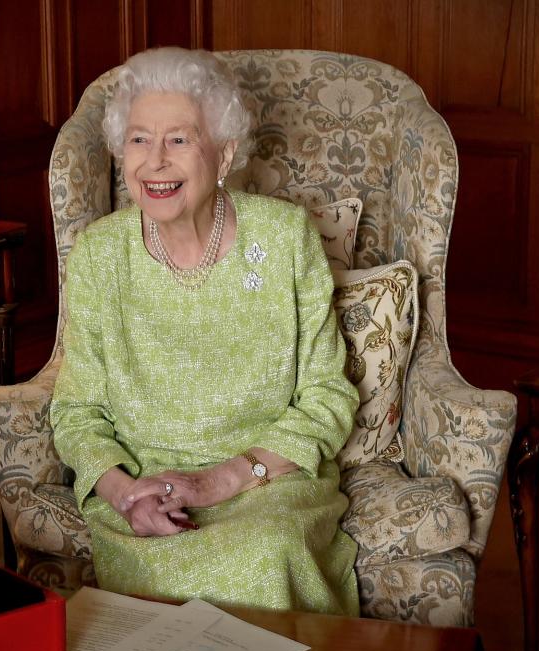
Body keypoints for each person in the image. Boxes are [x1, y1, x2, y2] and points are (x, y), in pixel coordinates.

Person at [49, 47, 360, 615]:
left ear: (223, 155)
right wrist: (125, 496)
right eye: (140, 140)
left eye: (179, 139)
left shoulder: (286, 238)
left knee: (265, 556)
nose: (155, 162)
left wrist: (219, 483)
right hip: (144, 494)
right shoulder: (98, 254)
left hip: (267, 482)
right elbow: (77, 413)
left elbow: (327, 396)